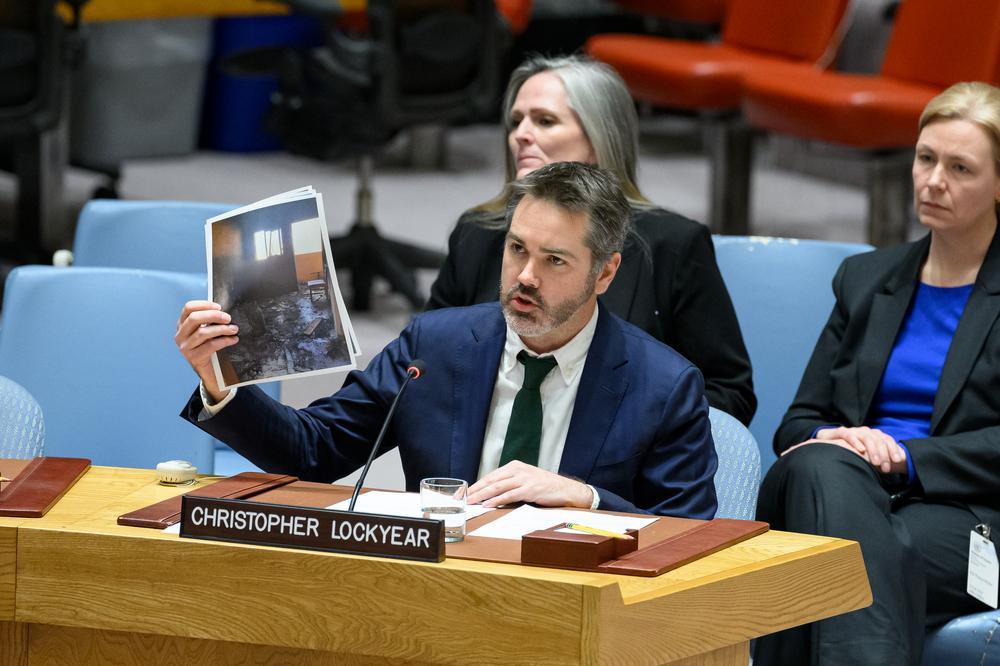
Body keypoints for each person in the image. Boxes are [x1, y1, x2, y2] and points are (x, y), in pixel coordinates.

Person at [176, 162, 719, 518]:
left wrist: (590, 499)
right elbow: (314, 453)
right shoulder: (433, 347)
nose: (525, 276)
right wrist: (221, 385)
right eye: (516, 249)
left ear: (605, 274)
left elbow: (692, 536)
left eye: (554, 260)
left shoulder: (663, 386)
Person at [755, 81, 1000, 665]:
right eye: (925, 158)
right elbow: (797, 424)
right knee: (820, 462)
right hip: (833, 484)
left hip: (970, 522)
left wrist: (906, 456)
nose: (934, 180)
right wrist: (838, 441)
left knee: (821, 560)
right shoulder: (865, 279)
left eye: (961, 168)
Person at [425, 54, 756, 426]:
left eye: (545, 121)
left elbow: (730, 391)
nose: (521, 134)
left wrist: (638, 434)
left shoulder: (673, 245)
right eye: (516, 121)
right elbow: (425, 360)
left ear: (600, 139)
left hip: (614, 470)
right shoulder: (478, 232)